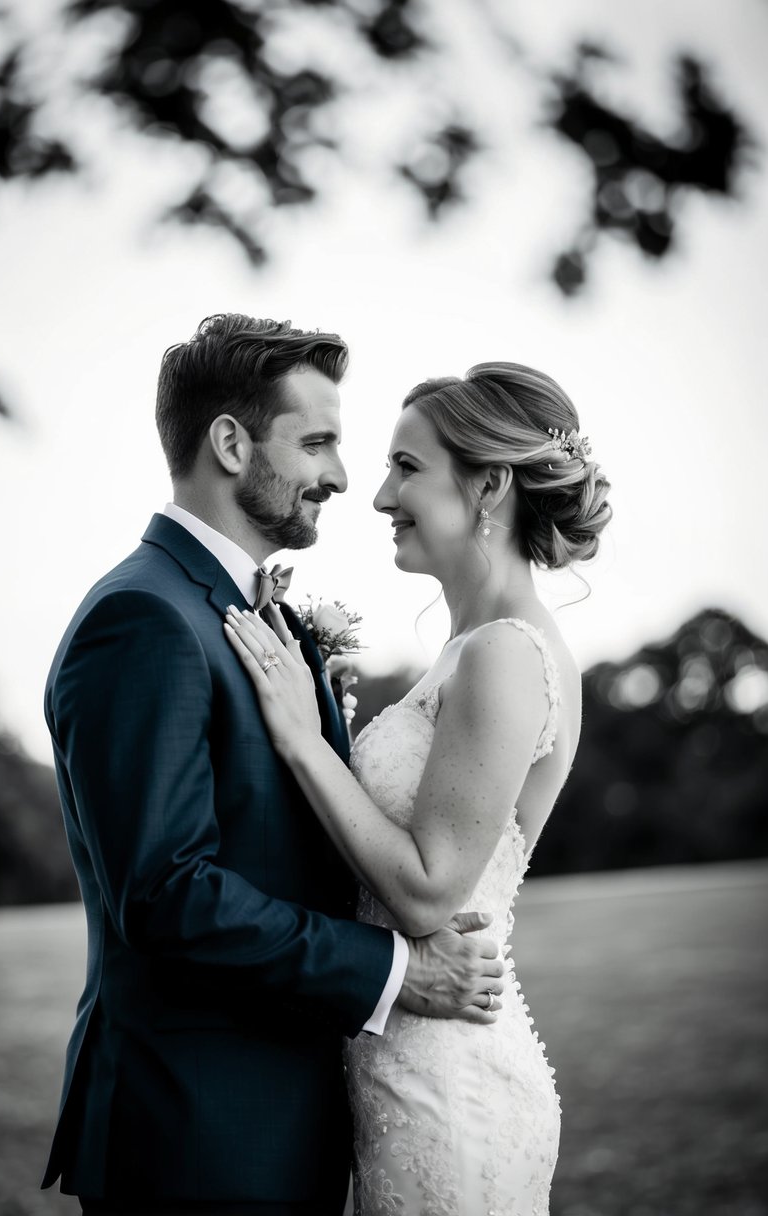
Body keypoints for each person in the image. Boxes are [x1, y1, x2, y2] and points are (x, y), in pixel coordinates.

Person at [41, 314, 505, 1216]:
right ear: (228, 442)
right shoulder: (143, 619)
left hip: (271, 1120)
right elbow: (167, 893)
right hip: (198, 1134)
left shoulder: (244, 615)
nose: (340, 477)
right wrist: (398, 971)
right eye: (319, 442)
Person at [226, 361, 613, 1214]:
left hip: (451, 1087)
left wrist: (301, 738)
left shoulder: (506, 653)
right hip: (403, 1060)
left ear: (488, 485)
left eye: (406, 466)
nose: (376, 496)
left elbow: (432, 893)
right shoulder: (466, 649)